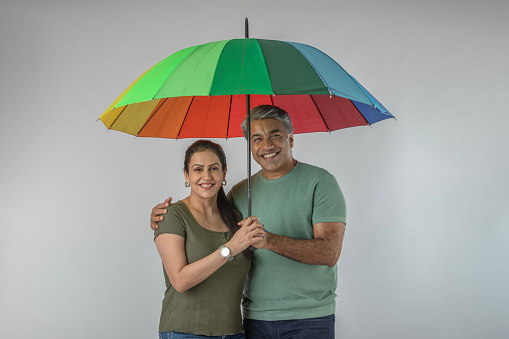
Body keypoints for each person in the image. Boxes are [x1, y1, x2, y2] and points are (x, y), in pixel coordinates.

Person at [152, 105, 347, 339]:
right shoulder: (240, 193)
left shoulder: (321, 182)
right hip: (254, 319)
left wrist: (270, 240)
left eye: (275, 135)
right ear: (250, 146)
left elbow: (329, 252)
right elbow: (201, 215)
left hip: (309, 318)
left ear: (291, 139)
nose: (266, 145)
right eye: (257, 138)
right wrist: (161, 215)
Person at [154, 140, 265, 339]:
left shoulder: (236, 220)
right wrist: (231, 247)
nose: (207, 177)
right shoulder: (172, 215)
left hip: (233, 332)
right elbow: (180, 281)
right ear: (186, 175)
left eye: (214, 169)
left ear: (224, 173)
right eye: (198, 169)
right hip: (185, 332)